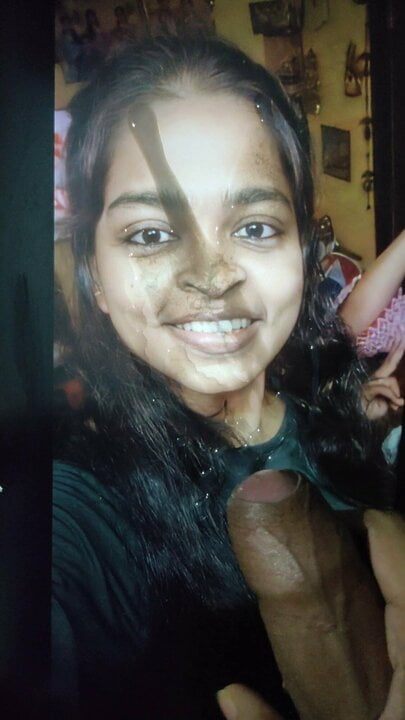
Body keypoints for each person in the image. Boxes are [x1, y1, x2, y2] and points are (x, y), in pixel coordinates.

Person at [53, 35, 404, 719]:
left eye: (254, 226)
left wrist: (358, 423)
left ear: (301, 251)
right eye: (150, 234)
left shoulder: (326, 392)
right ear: (94, 274)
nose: (211, 277)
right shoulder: (84, 507)